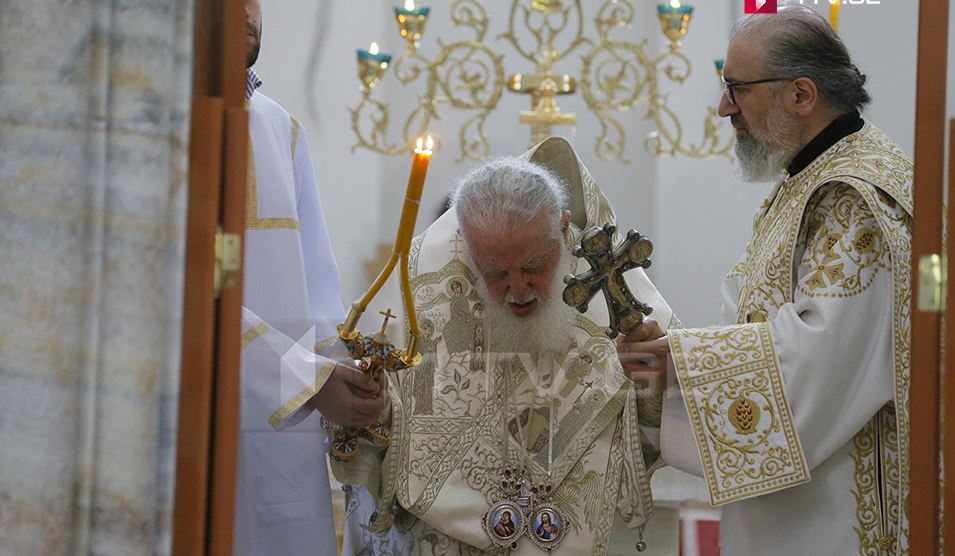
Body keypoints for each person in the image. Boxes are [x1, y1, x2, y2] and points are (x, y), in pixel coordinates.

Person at [620, 3, 912, 554]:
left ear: (801, 95)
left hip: (837, 516)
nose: (724, 106)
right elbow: (755, 317)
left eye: (737, 87)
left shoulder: (852, 199)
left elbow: (816, 366)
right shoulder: (809, 180)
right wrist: (675, 352)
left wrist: (676, 365)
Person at [336, 137, 676, 554]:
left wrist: (652, 385)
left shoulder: (613, 304)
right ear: (464, 245)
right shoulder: (417, 307)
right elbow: (372, 438)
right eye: (495, 271)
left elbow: (648, 437)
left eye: (534, 265)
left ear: (564, 229)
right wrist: (373, 408)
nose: (518, 289)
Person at [235, 1, 387, 554]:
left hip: (285, 433)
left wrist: (347, 383)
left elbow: (318, 289)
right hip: (189, 411)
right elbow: (178, 291)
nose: (245, 10)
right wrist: (308, 380)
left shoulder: (281, 129)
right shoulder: (152, 124)